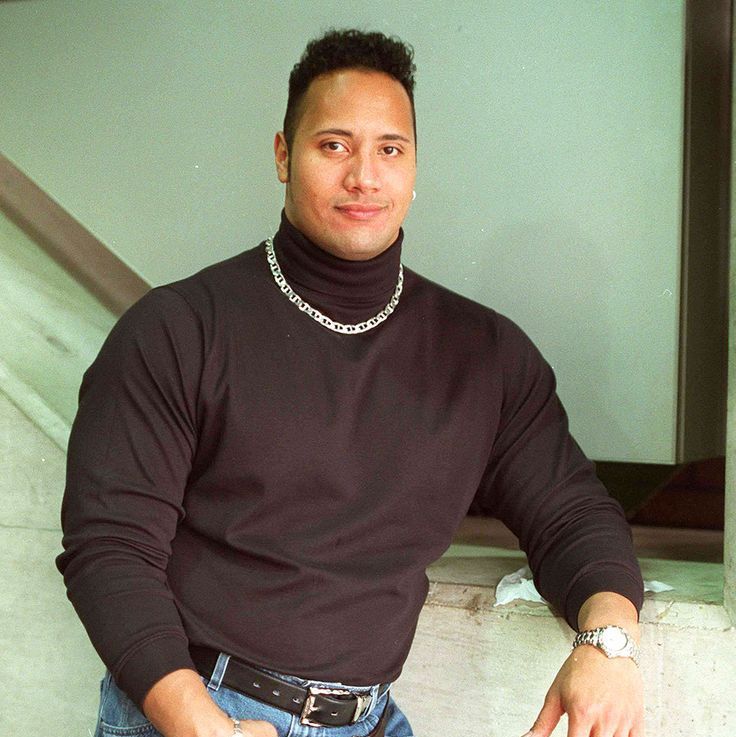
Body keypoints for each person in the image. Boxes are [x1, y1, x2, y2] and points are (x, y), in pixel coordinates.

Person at [57, 29, 645, 737]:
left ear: (414, 165)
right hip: (200, 712)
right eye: (333, 145)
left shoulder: (482, 354)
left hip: (371, 720)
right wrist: (195, 722)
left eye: (389, 149)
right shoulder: (179, 329)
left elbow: (570, 513)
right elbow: (110, 547)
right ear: (282, 154)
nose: (364, 176)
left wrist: (608, 643)